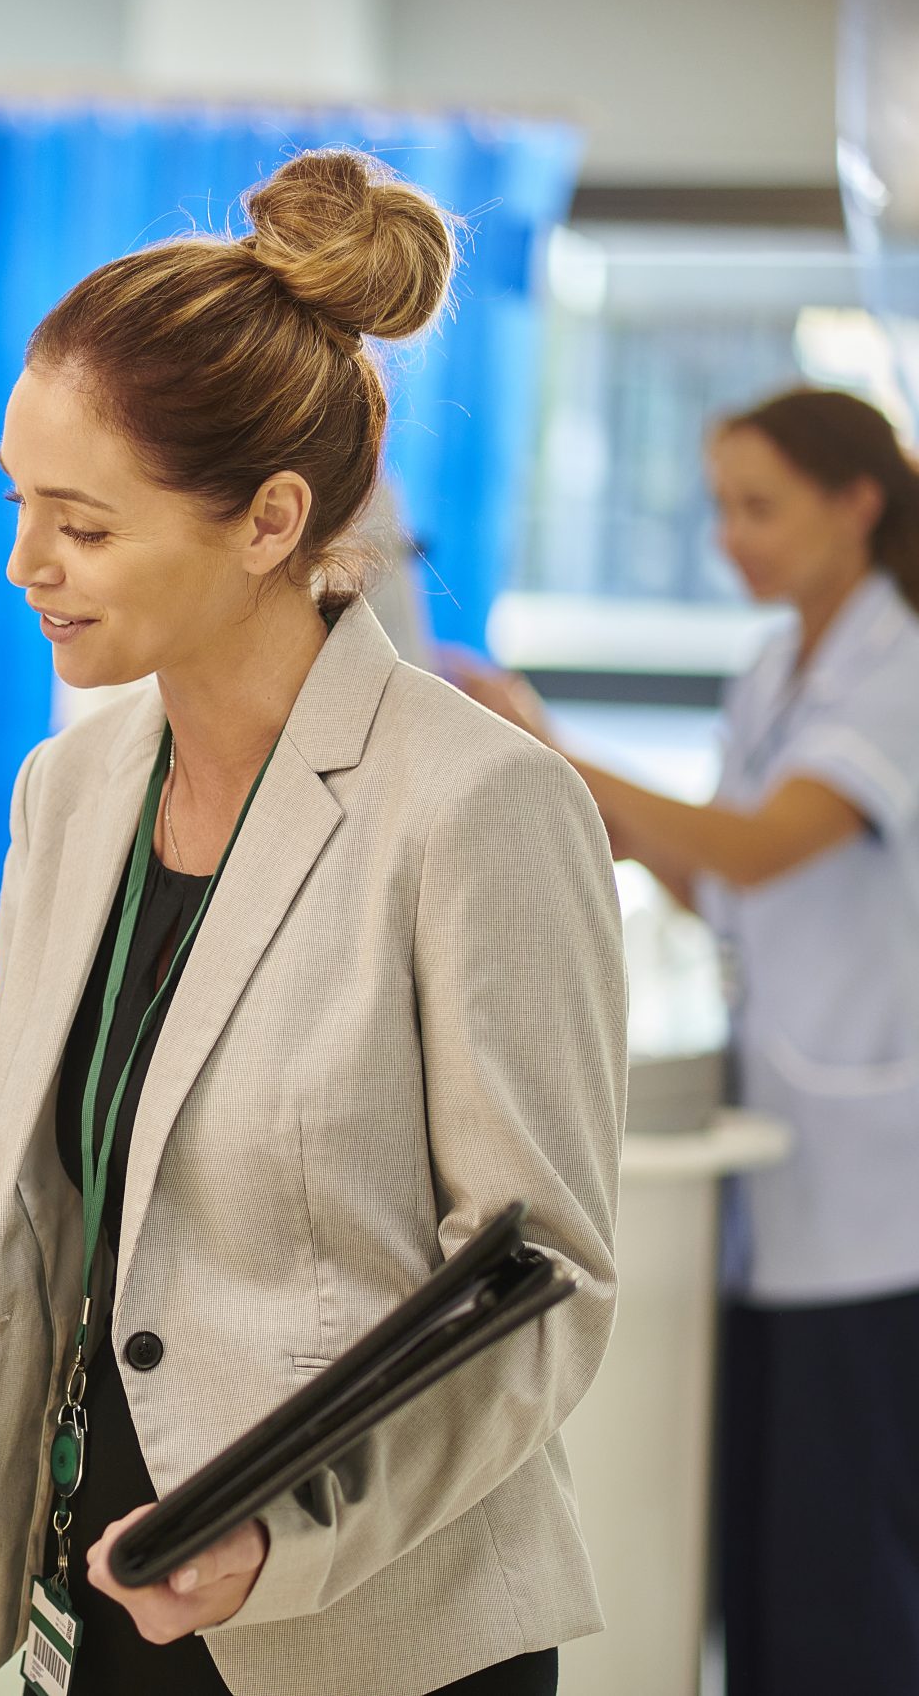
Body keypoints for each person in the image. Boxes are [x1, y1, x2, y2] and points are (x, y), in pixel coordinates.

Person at [0, 149, 624, 1696]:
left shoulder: (477, 805)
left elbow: (535, 1288)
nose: (26, 565)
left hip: (364, 1634)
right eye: (22, 505)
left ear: (271, 519)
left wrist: (289, 1535)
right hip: (98, 1599)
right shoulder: (72, 790)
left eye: (81, 523)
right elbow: (33, 1182)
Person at [456, 385, 919, 1696]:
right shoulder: (778, 665)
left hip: (882, 1184)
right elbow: (704, 874)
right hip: (779, 1159)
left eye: (758, 505)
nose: (731, 537)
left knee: (850, 1552)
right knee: (766, 1552)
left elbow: (762, 849)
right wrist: (537, 789)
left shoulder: (904, 663)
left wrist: (551, 748)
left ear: (857, 501)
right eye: (719, 505)